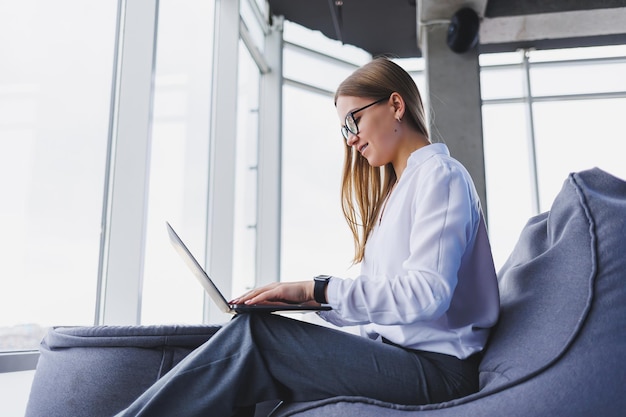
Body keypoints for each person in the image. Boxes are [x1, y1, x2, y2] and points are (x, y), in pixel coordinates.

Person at [115, 57, 499, 417]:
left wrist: (314, 291)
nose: (350, 139)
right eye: (344, 130)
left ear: (395, 105)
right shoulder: (395, 195)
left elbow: (426, 295)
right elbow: (381, 308)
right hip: (400, 358)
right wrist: (304, 307)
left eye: (354, 121)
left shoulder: (441, 177)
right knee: (252, 345)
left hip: (439, 373)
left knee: (258, 338)